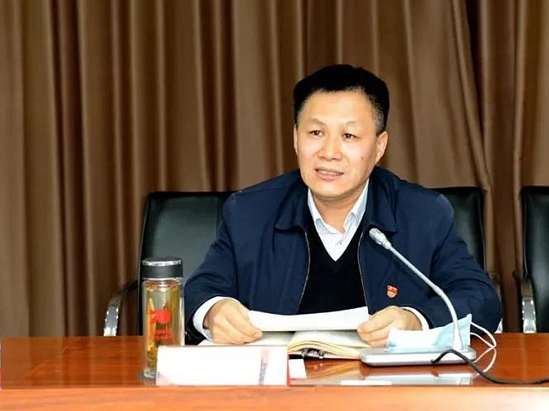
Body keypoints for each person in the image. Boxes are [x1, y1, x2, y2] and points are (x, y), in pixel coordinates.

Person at [184, 64, 502, 345]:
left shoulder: (422, 214)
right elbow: (202, 289)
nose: (329, 152)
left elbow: (480, 298)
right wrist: (214, 311)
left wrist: (416, 320)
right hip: (281, 385)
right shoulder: (250, 212)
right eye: (316, 132)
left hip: (385, 386)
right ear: (295, 138)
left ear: (379, 146)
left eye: (349, 136)